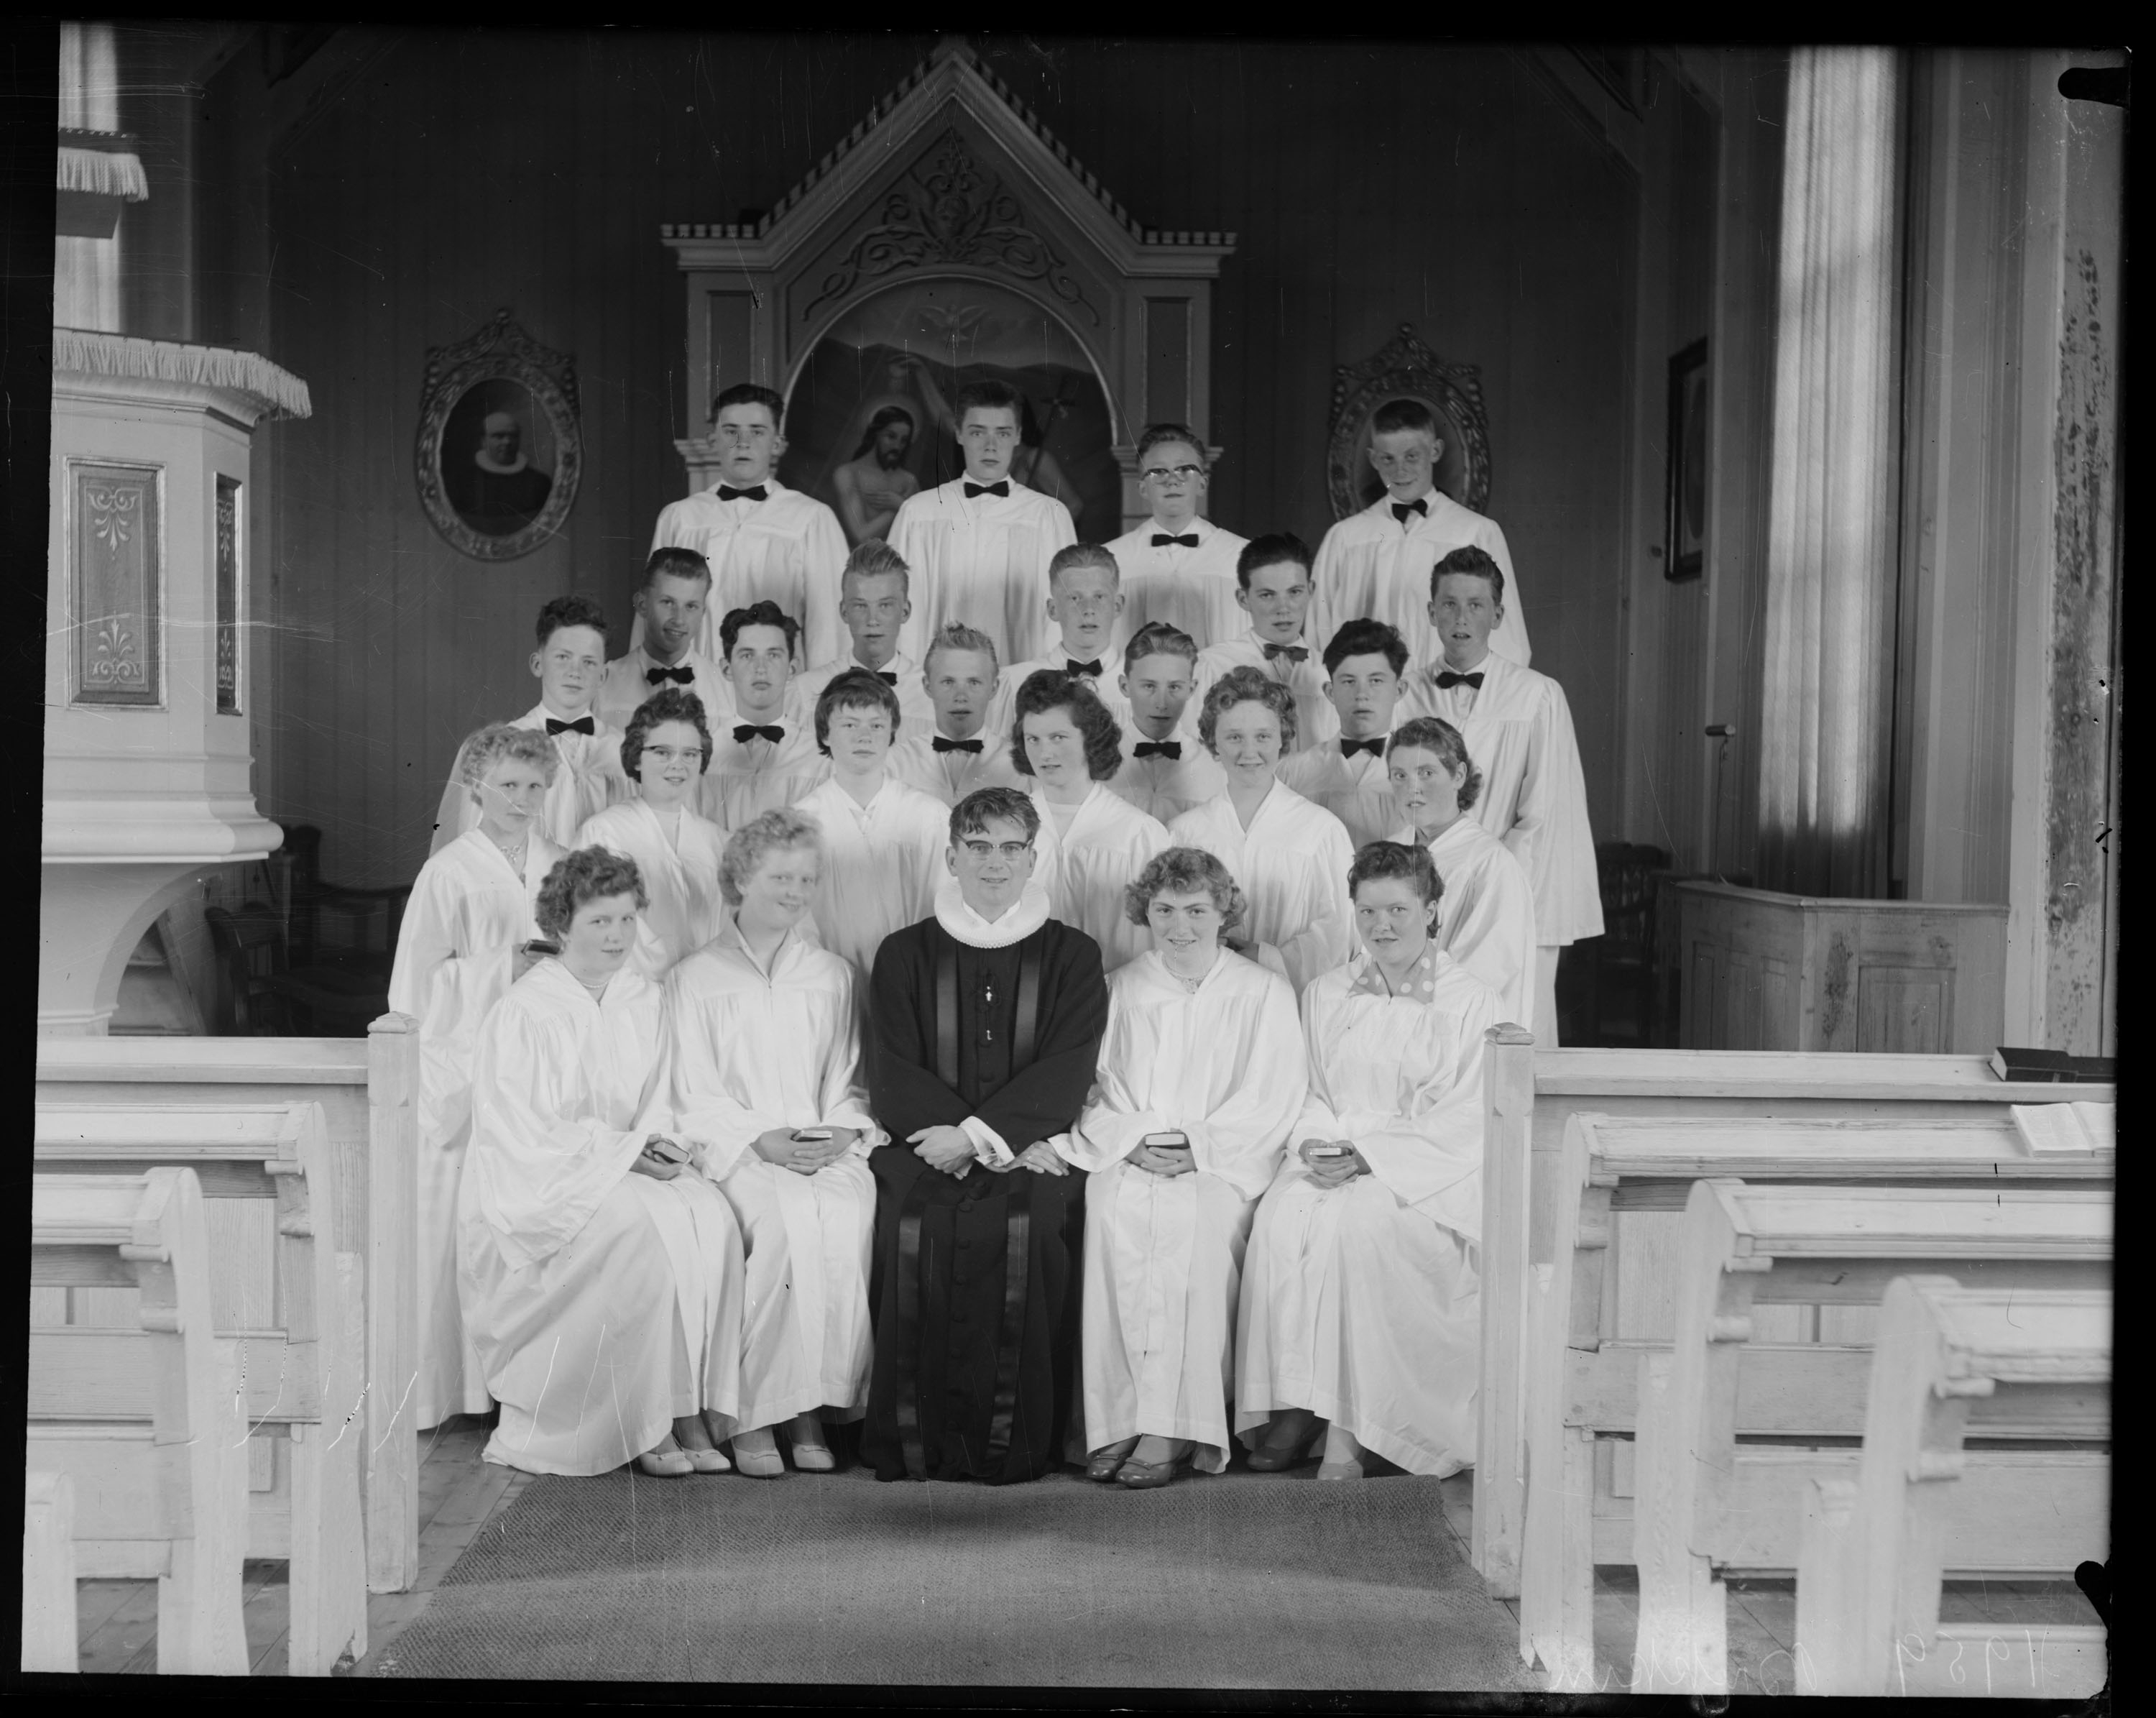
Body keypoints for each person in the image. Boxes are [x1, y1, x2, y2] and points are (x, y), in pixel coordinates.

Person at [460, 846, 746, 1477]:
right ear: (561, 926)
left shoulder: (643, 999)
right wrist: (623, 1155)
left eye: (625, 919)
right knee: (638, 1236)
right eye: (599, 922)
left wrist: (663, 1144)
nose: (617, 935)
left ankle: (684, 1407)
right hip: (543, 1180)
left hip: (623, 1162)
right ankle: (635, 1424)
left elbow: (661, 1095)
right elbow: (520, 1131)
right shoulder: (525, 1011)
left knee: (711, 1218)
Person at [861, 787, 1109, 1483]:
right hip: (924, 1145)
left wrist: (978, 1135)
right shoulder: (904, 952)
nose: (993, 863)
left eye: (1009, 848)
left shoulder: (1073, 955)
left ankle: (1018, 1443)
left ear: (1033, 858)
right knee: (915, 1224)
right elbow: (892, 1065)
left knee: (1031, 1218)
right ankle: (915, 1443)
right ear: (951, 855)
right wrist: (951, 1137)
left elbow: (1070, 1065)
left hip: (1026, 1148)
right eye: (978, 846)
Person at [1235, 840, 1500, 1481]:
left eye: (1399, 911)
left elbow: (1468, 1114)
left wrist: (1371, 1157)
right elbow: (1305, 1089)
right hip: (1332, 1151)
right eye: (1368, 912)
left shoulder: (1471, 1001)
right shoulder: (1326, 992)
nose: (1382, 927)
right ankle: (1300, 1403)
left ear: (1432, 910)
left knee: (1358, 1231)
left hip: (1422, 1171)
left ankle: (1349, 1432)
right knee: (1281, 1220)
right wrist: (1314, 1145)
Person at [1060, 847, 1306, 1487]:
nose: (1179, 926)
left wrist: (1197, 1146)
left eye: (1196, 909)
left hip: (1220, 1165)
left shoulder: (1263, 992)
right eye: (1164, 910)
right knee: (1110, 1209)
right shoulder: (1122, 987)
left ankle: (1176, 1425)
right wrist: (1133, 1141)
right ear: (1146, 912)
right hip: (1132, 1154)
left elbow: (1273, 1096)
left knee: (1194, 1226)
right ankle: (1115, 1420)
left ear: (1223, 910)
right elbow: (1096, 1089)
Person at [659, 811, 883, 1476]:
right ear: (739, 879)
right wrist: (757, 1140)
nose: (795, 891)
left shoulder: (834, 975)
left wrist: (842, 1130)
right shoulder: (695, 978)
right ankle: (757, 1411)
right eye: (780, 876)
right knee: (781, 1225)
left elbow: (850, 1078)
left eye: (806, 879)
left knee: (847, 1217)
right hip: (741, 1150)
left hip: (822, 1146)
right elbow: (687, 1091)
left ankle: (812, 1405)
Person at [392, 724, 566, 1429]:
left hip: (541, 1057)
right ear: (477, 789)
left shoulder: (560, 861)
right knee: (463, 1216)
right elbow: (414, 984)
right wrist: (502, 969)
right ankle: (463, 1384)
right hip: (469, 1055)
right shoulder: (450, 871)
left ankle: (531, 1383)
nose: (522, 800)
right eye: (508, 787)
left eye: (534, 786)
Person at [1396, 548, 1600, 1042]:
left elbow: (1543, 812)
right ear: (1431, 612)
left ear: (1498, 615)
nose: (1461, 618)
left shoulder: (1536, 695)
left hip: (1510, 884)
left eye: (1476, 605)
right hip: (1426, 883)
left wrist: (1489, 877)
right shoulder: (1407, 692)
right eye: (1448, 605)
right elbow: (1399, 794)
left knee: (1506, 1021)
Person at [1168, 667, 1355, 996]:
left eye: (1263, 736)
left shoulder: (1320, 830)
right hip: (1203, 999)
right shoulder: (1186, 832)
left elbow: (1341, 932)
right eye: (1234, 736)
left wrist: (1265, 957)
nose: (1249, 751)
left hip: (1287, 999)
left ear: (1283, 739)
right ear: (1213, 742)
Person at [1309, 396, 1530, 669]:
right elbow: (1318, 633)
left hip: (1445, 697)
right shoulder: (1344, 538)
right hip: (1368, 697)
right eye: (1388, 459)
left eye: (1412, 456)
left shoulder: (1476, 532)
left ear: (1435, 451)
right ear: (1373, 459)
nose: (1399, 470)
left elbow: (1508, 641)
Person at [648, 382, 849, 668]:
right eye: (731, 432)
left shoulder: (812, 519)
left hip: (779, 686)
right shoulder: (680, 518)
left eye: (757, 431)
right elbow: (656, 613)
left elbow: (829, 625)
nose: (743, 443)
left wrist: (817, 694)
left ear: (777, 443)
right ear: (713, 440)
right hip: (696, 685)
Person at [890, 378, 1077, 667]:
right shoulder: (919, 513)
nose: (991, 446)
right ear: (959, 433)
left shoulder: (1048, 516)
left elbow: (1062, 615)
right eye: (978, 433)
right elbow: (900, 607)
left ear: (1018, 436)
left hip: (1022, 679)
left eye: (1002, 434)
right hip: (936, 683)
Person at [430, 594, 627, 856]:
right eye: (562, 657)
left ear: (603, 675)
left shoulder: (622, 751)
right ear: (537, 664)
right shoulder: (500, 750)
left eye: (588, 662)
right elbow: (473, 851)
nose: (575, 672)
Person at [790, 669, 952, 977]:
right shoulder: (800, 823)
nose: (864, 737)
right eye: (849, 724)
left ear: (892, 732)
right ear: (825, 733)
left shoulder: (928, 817)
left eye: (876, 725)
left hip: (913, 982)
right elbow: (797, 924)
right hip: (829, 983)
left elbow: (945, 906)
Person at [1010, 669, 1169, 970]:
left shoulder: (1138, 834)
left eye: (1058, 737)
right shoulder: (1008, 828)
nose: (1045, 753)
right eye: (1033, 739)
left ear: (1090, 739)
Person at [1384, 715, 1537, 1029]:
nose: (1412, 788)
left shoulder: (1489, 864)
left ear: (1459, 775)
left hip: (1451, 1033)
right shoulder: (1388, 854)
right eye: (1399, 775)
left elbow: (1479, 973)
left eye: (1426, 773)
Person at [572, 687, 729, 981]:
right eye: (662, 752)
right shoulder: (604, 833)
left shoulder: (718, 841)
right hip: (632, 996)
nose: (677, 765)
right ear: (637, 758)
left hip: (705, 995)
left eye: (690, 754)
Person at [1192, 534, 1340, 756]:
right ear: (1243, 599)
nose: (1283, 608)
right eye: (1267, 595)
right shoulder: (1212, 666)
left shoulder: (1330, 673)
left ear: (1310, 590)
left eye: (1294, 592)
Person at [1103, 425, 1247, 648]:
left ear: (1202, 484)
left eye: (1184, 470)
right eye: (1158, 472)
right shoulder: (1112, 558)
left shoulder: (1239, 555)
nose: (1172, 480)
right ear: (1142, 488)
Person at [1277, 618, 1411, 847]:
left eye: (1376, 681)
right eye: (1349, 681)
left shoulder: (1422, 773)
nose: (1362, 694)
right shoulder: (1293, 773)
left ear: (1399, 690)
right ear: (1330, 692)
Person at [790, 540, 936, 739]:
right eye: (860, 606)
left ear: (905, 611)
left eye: (885, 605)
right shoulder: (805, 692)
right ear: (844, 612)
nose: (872, 620)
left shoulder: (933, 697)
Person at [702, 601, 829, 827]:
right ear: (726, 668)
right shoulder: (704, 756)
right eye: (747, 656)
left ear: (792, 668)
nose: (761, 668)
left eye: (773, 655)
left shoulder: (819, 759)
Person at [987, 542, 1133, 732]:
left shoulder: (1145, 686)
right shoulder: (1013, 683)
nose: (1088, 610)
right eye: (1074, 598)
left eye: (1099, 597)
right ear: (1053, 609)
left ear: (1117, 606)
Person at [596, 548, 736, 736]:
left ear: (702, 612)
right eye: (668, 603)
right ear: (642, 605)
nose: (679, 619)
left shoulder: (729, 692)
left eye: (691, 606)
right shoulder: (601, 687)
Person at [886, 622, 1026, 807]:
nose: (961, 696)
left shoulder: (1020, 766)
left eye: (974, 682)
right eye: (948, 682)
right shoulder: (895, 763)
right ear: (928, 687)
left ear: (994, 688)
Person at [1105, 622, 1227, 824]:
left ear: (1191, 689)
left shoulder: (1214, 769)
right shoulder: (1095, 765)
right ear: (1124, 686)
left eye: (1174, 687)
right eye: (1149, 686)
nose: (1161, 703)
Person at [831, 404, 921, 544]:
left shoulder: (909, 480)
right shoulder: (848, 474)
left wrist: (902, 504)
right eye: (891, 436)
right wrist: (900, 507)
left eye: (903, 441)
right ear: (875, 434)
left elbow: (922, 532)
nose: (897, 447)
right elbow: (861, 536)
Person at [459, 409, 552, 533]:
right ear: (483, 441)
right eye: (499, 436)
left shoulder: (540, 483)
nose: (507, 442)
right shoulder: (461, 483)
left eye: (513, 436)